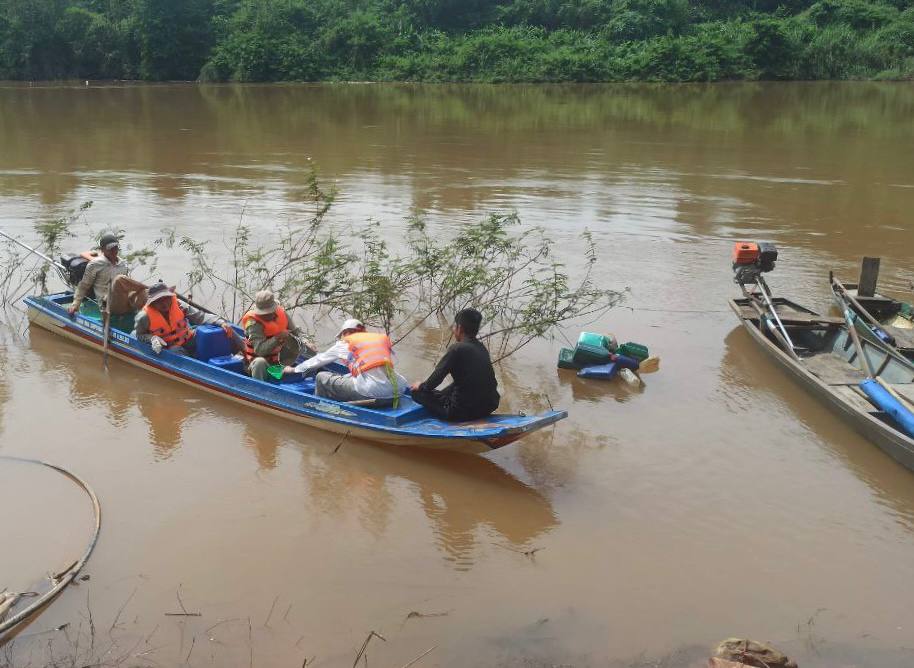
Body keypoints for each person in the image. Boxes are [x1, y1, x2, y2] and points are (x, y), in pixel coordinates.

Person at [284, 317, 407, 404]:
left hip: (373, 394)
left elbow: (318, 360)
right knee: (348, 376)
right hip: (398, 391)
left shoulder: (346, 343)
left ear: (346, 333)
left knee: (321, 377)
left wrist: (293, 369)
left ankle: (319, 407)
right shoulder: (377, 339)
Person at [410, 308, 500, 422]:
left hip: (460, 411)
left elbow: (436, 379)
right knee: (457, 384)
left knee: (416, 393)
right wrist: (440, 394)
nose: (453, 330)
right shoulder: (481, 348)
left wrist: (421, 386)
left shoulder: (457, 349)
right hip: (489, 406)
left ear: (459, 328)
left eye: (454, 326)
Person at [134, 281, 242, 356]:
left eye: (166, 298)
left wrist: (221, 323)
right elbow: (139, 335)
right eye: (159, 300)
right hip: (169, 347)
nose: (164, 303)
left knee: (220, 331)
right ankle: (196, 365)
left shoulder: (179, 305)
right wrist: (152, 339)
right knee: (176, 352)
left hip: (188, 338)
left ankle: (244, 353)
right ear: (152, 303)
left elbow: (200, 317)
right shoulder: (144, 316)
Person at [67, 232, 147, 316]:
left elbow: (130, 285)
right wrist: (75, 305)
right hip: (107, 305)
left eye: (115, 247)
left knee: (144, 291)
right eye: (110, 248)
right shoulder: (95, 264)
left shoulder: (123, 264)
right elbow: (84, 286)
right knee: (119, 279)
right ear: (102, 250)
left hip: (124, 302)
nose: (114, 250)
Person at [241, 290, 313, 381]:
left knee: (308, 352)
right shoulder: (253, 323)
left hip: (280, 362)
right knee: (260, 362)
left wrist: (307, 341)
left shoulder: (281, 313)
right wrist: (277, 338)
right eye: (263, 312)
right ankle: (259, 389)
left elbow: (296, 332)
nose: (266, 315)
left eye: (268, 312)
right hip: (259, 365)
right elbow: (259, 350)